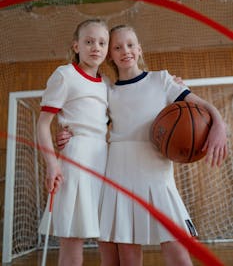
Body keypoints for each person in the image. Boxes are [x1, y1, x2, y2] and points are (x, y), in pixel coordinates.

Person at [57, 24, 227, 266]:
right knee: (128, 254)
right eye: (117, 47)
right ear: (110, 55)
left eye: (129, 45)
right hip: (118, 174)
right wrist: (65, 134)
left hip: (157, 174)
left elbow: (201, 106)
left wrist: (219, 125)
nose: (124, 51)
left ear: (139, 49)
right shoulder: (108, 90)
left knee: (177, 248)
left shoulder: (163, 80)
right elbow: (88, 125)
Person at [37, 19, 110, 266]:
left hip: (104, 160)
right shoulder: (64, 75)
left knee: (110, 238)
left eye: (102, 42)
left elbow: (105, 121)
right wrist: (51, 164)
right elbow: (43, 123)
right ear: (76, 46)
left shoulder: (107, 84)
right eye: (88, 42)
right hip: (76, 159)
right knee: (72, 239)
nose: (96, 47)